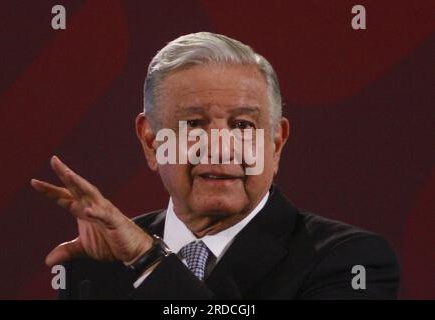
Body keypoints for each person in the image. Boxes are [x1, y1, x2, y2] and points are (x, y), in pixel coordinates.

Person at [31, 32, 400, 299]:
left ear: (276, 142)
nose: (221, 148)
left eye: (242, 125)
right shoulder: (96, 265)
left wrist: (148, 261)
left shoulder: (350, 261)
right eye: (193, 124)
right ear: (150, 141)